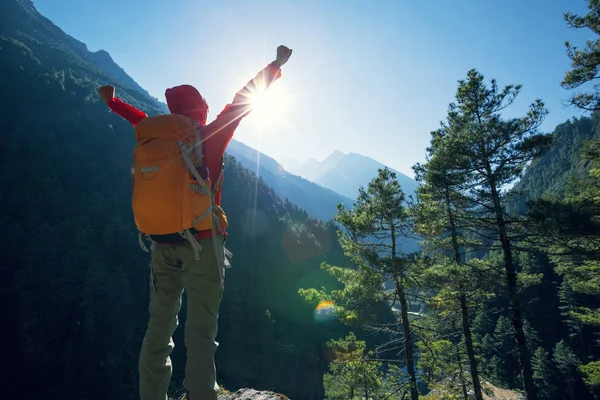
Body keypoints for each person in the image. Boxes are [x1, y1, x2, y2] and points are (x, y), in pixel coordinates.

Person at [98, 45, 293, 400]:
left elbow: (136, 117)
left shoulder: (153, 134)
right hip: (203, 242)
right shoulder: (210, 135)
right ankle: (202, 394)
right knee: (201, 331)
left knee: (158, 328)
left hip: (161, 243)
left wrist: (112, 102)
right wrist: (275, 65)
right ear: (201, 108)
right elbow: (241, 100)